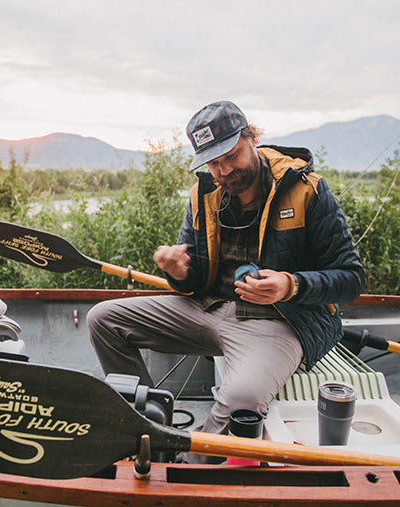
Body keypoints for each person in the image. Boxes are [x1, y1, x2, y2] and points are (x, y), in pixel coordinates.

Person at [87, 100, 364, 463]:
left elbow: (351, 278)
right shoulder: (204, 195)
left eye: (230, 156)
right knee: (103, 319)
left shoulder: (307, 189)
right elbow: (195, 282)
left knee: (242, 401)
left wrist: (290, 285)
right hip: (206, 310)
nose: (224, 170)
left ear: (251, 136)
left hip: (278, 321)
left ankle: (186, 465)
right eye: (213, 162)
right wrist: (179, 272)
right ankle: (149, 426)